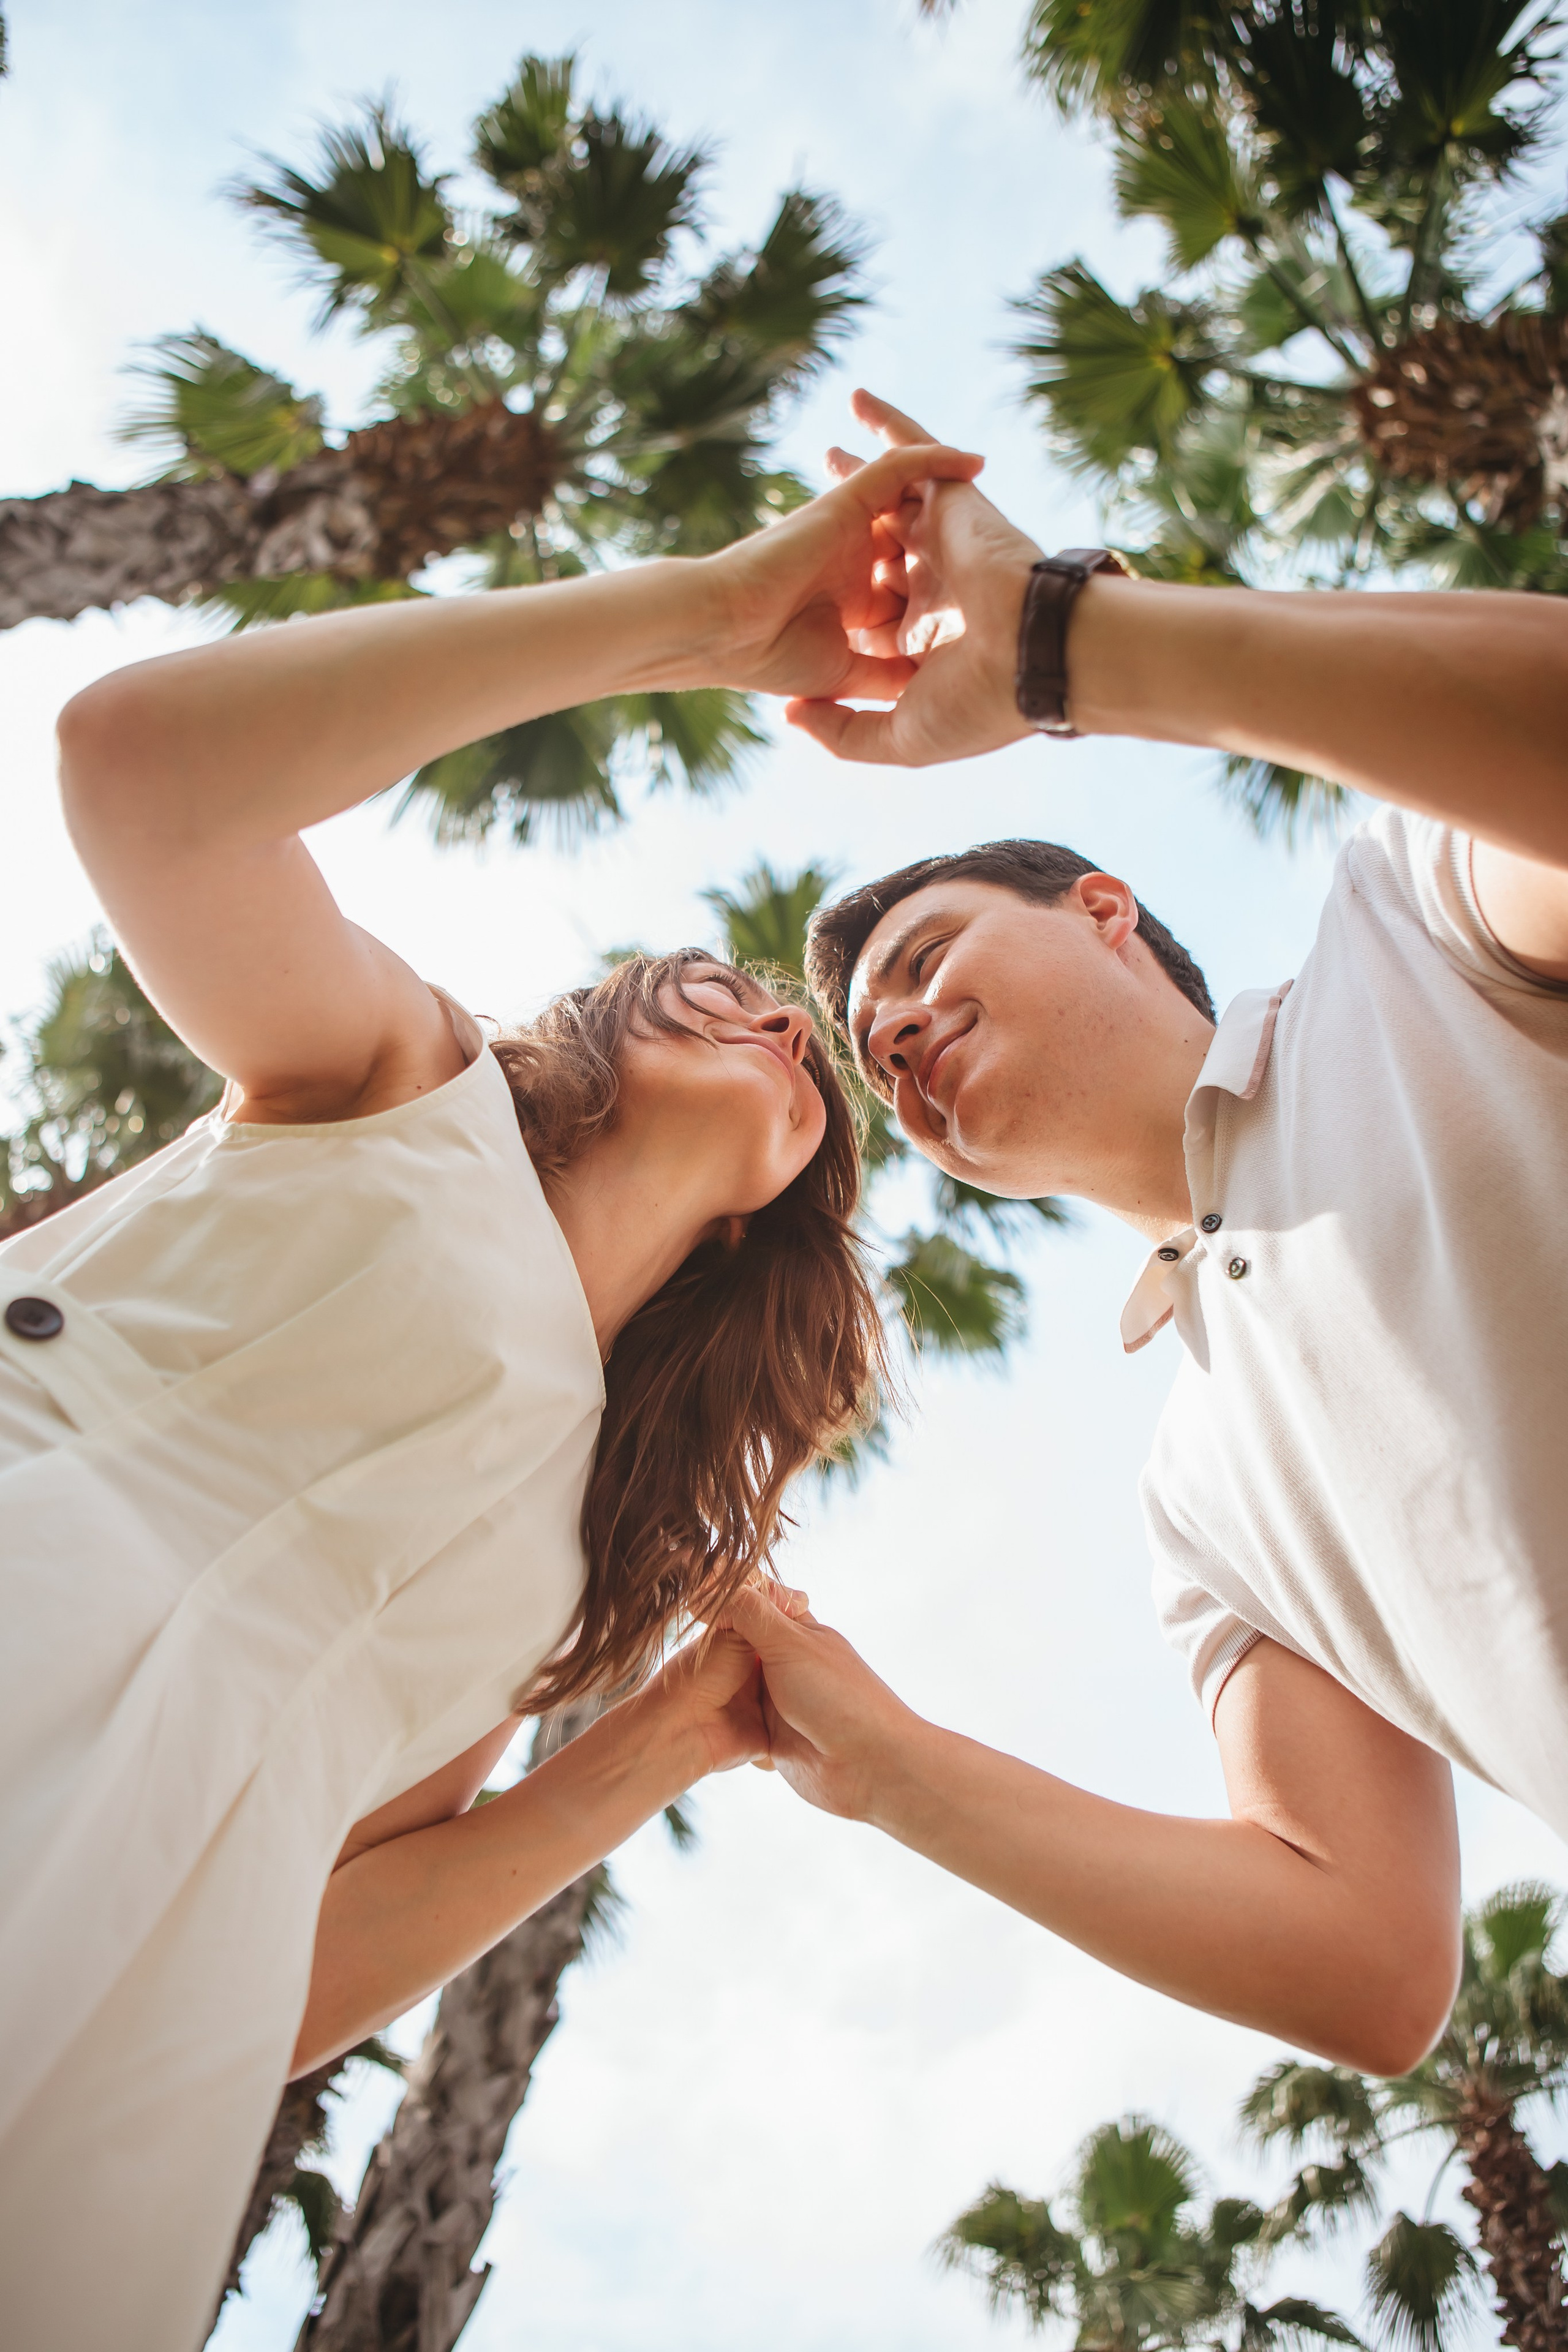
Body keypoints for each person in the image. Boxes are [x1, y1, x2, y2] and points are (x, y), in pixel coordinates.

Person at [0, 433, 983, 2352]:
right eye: (729, 982)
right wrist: (703, 618)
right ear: (605, 1020)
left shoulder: (564, 1552)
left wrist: (672, 1739)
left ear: (768, 1230)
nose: (790, 1020)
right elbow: (139, 767)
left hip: (108, 2016)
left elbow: (295, 1958)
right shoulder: (402, 1082)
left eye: (818, 1072)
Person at [724, 388, 1568, 2084]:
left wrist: (1060, 645)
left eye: (925, 957)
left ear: (1102, 908)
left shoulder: (1408, 928)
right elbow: (1368, 1963)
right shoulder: (1202, 1505)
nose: (891, 1036)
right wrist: (888, 1768)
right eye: (878, 1056)